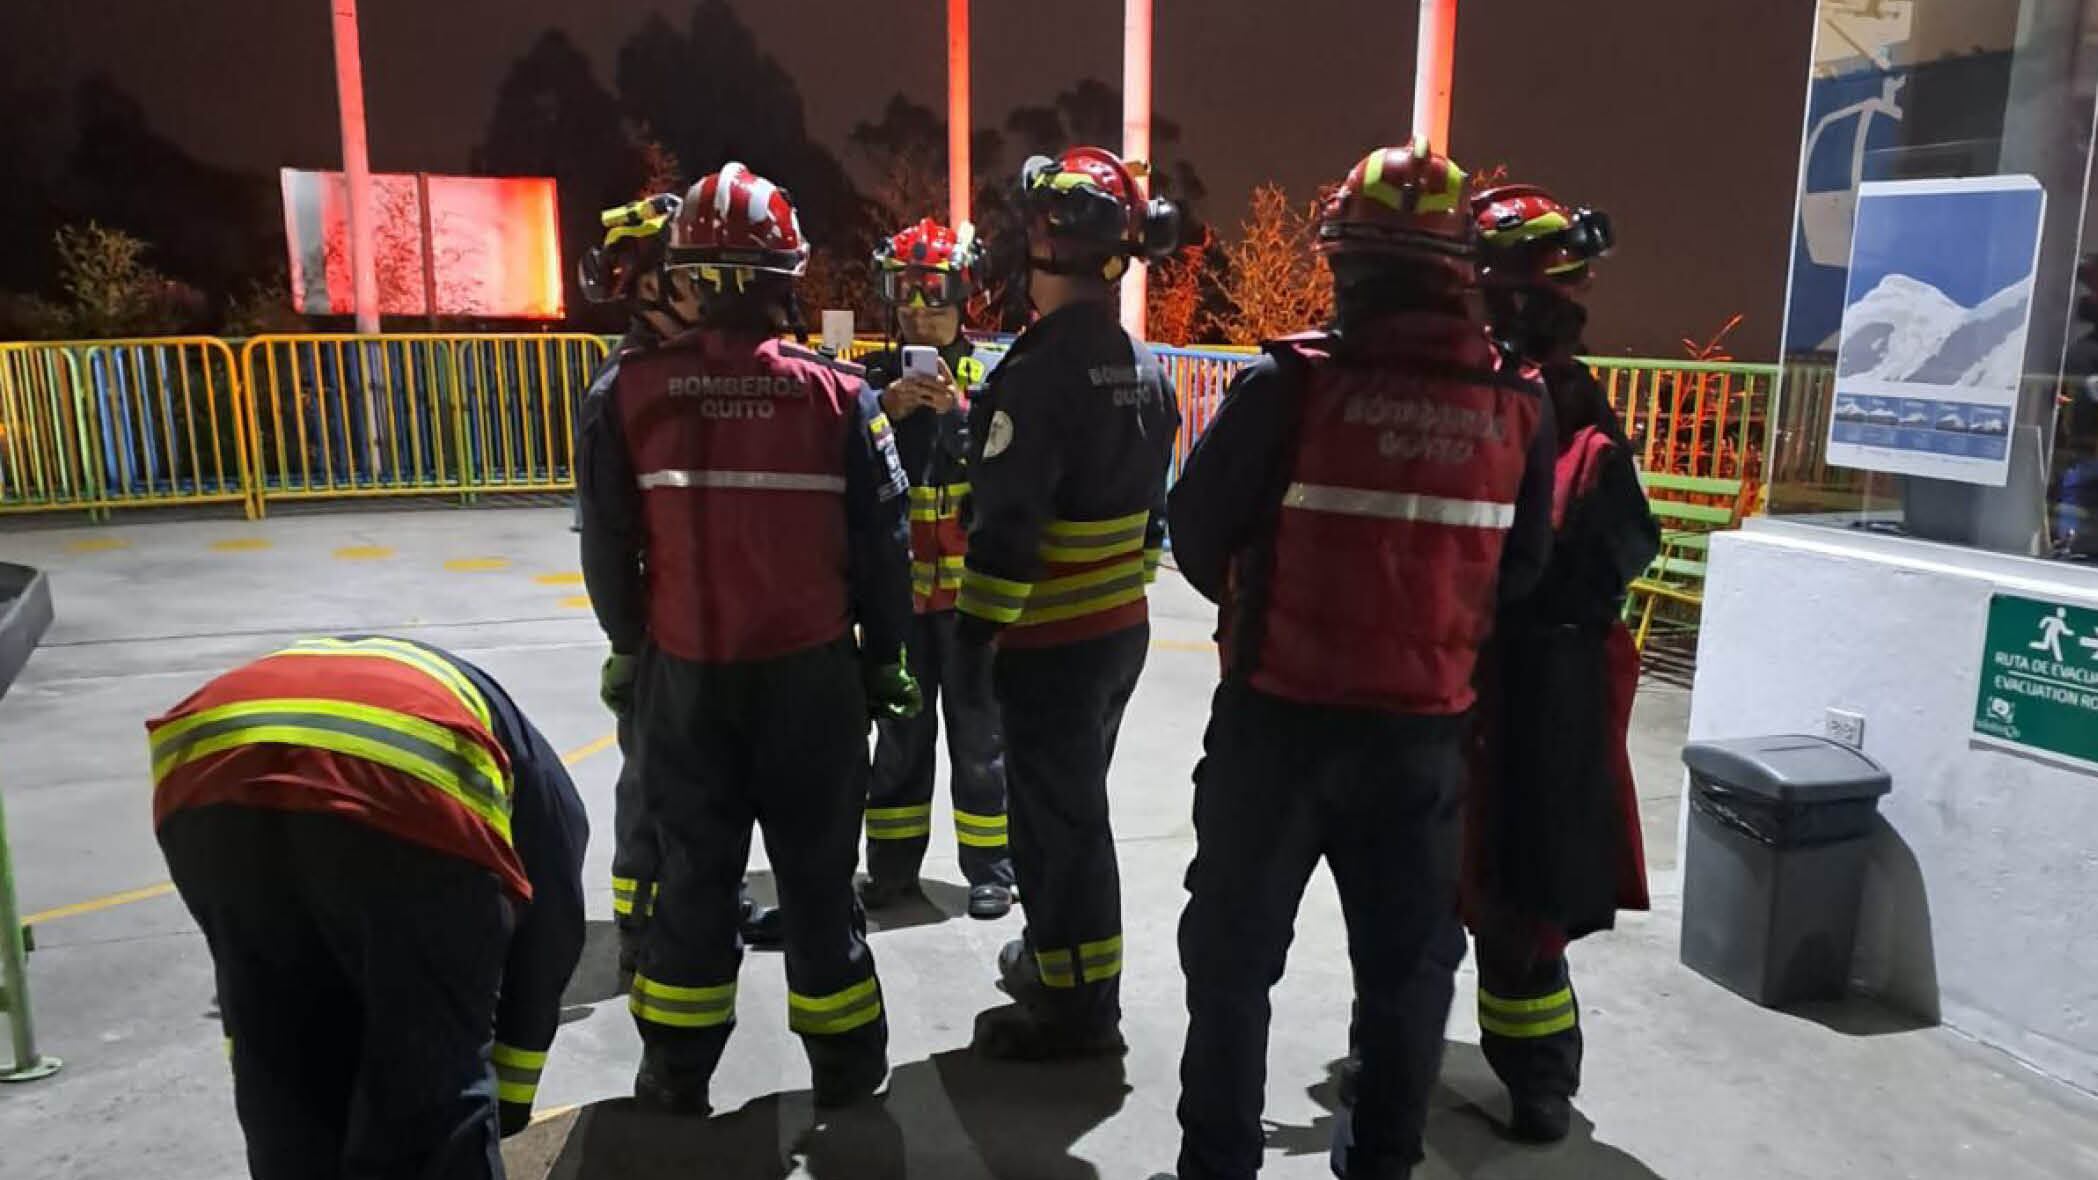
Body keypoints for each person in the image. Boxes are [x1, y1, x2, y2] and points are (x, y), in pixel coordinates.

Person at [1166, 140, 1557, 1180]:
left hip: (1274, 730)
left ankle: (1217, 1163)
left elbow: (1195, 532)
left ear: (1342, 259)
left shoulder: (1285, 382)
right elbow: (1522, 573)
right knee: (1407, 974)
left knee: (1232, 962)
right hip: (1424, 744)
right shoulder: (1519, 403)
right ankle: (1380, 1163)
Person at [576, 162, 921, 1113]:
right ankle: (849, 1073)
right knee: (817, 883)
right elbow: (884, 547)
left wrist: (628, 645)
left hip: (685, 683)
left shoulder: (625, 397)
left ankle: (676, 1074)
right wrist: (887, 655)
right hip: (811, 686)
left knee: (693, 880)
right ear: (786, 277)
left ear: (683, 274)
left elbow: (607, 547)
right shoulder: (836, 397)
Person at [148, 635, 588, 1180]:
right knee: (430, 1090)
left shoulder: (474, 708)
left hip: (204, 766)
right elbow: (550, 938)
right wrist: (510, 1095)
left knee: (280, 1058)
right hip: (402, 777)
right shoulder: (548, 795)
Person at [957, 146, 1181, 1060]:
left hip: (1049, 642)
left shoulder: (1034, 374)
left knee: (1059, 827)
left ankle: (1080, 1007)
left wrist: (973, 641)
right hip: (1117, 633)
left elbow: (1008, 531)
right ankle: (1055, 963)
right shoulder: (1146, 366)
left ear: (1043, 252)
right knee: (1068, 813)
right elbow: (1153, 524)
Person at [1463, 182, 1657, 1143]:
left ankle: (1503, 1071)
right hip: (1560, 685)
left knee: (1465, 883)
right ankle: (1540, 1083)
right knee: (1524, 894)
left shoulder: (1504, 403)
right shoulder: (1582, 406)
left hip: (1495, 680)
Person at [577, 193, 782, 973]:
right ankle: (640, 923)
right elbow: (606, 536)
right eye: (698, 276)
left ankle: (712, 903)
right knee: (652, 779)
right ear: (657, 285)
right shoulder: (622, 390)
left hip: (710, 625)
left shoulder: (686, 374)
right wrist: (626, 643)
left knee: (706, 786)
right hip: (661, 629)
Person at [858, 217, 1017, 920]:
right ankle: (891, 871)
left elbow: (1003, 474)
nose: (921, 310)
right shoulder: (866, 383)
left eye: (937, 297)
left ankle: (991, 870)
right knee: (899, 738)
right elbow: (851, 476)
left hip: (970, 594)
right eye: (909, 298)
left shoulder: (993, 379)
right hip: (896, 596)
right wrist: (882, 414)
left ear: (965, 299)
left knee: (981, 737)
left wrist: (956, 414)